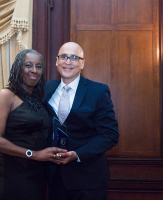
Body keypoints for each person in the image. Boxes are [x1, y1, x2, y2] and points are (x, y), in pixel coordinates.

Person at [43, 42, 119, 200]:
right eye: (64, 57)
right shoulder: (45, 89)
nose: (68, 61)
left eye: (74, 57)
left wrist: (77, 154)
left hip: (89, 180)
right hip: (54, 178)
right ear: (57, 61)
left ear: (82, 63)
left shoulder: (98, 91)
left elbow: (110, 134)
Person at [0, 49, 65, 200]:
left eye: (39, 66)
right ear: (18, 68)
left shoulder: (38, 99)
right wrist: (34, 154)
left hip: (38, 173)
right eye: (28, 65)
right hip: (12, 173)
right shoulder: (6, 95)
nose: (34, 71)